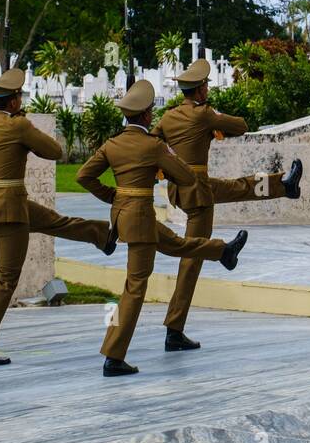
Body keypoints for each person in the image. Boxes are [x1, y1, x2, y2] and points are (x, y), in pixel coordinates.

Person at [0, 68, 117, 368]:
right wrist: (26, 125)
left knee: (54, 221)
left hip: (1, 208)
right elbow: (55, 151)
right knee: (6, 281)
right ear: (12, 102)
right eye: (19, 96)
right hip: (11, 213)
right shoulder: (18, 126)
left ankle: (102, 235)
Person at [76, 79, 247, 377]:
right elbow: (185, 176)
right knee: (134, 287)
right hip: (141, 220)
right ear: (145, 116)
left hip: (125, 216)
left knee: (178, 244)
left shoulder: (112, 145)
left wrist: (114, 196)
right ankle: (113, 357)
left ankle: (223, 251)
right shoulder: (153, 147)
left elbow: (83, 176)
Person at [152, 59, 302, 351]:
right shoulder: (204, 114)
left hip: (179, 188)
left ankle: (284, 185)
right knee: (192, 256)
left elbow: (154, 145)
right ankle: (174, 328)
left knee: (238, 186)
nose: (208, 88)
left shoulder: (168, 118)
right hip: (197, 191)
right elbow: (240, 125)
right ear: (199, 91)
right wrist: (213, 123)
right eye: (206, 85)